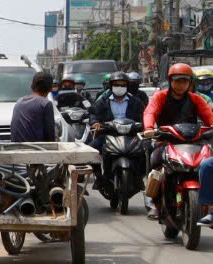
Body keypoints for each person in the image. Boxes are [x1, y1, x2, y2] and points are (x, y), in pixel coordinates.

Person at [143, 62, 213, 223]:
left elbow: (208, 115)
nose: (181, 85)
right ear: (170, 81)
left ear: (190, 83)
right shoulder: (161, 96)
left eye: (184, 81)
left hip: (193, 141)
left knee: (206, 164)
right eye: (177, 81)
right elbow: (150, 112)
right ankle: (153, 201)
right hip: (167, 141)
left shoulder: (196, 99)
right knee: (155, 160)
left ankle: (207, 204)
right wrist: (149, 128)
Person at [89, 70, 144, 148]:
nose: (119, 87)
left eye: (123, 85)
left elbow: (143, 117)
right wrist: (95, 122)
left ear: (127, 86)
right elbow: (93, 113)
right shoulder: (103, 101)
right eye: (116, 85)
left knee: (149, 149)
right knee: (91, 149)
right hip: (108, 134)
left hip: (132, 135)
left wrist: (144, 126)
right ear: (111, 86)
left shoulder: (136, 102)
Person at [10, 71, 59, 143]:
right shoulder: (45, 104)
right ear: (50, 88)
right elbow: (50, 138)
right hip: (36, 150)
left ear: (32, 85)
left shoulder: (19, 101)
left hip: (16, 148)